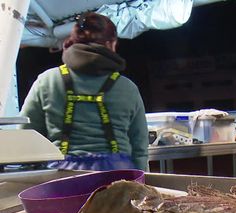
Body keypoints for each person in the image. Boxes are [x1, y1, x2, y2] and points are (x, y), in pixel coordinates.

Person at [20, 12, 148, 171]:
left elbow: (26, 134)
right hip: (116, 179)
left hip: (62, 180)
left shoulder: (47, 81)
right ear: (111, 44)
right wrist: (143, 183)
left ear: (71, 41)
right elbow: (140, 148)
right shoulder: (127, 88)